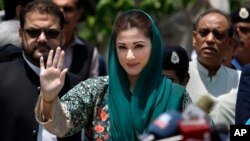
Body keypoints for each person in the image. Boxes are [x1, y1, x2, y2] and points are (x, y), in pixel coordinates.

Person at [35, 9, 192, 140]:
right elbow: (60, 126)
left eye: (138, 46)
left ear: (154, 47)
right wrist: (49, 98)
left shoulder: (176, 96)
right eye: (122, 47)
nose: (129, 56)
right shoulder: (96, 91)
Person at [0, 1, 82, 141]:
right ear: (21, 34)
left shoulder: (77, 86)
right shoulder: (1, 77)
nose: (42, 39)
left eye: (51, 33)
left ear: (62, 37)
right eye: (33, 32)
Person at [186, 9, 241, 125]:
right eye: (204, 32)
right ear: (194, 39)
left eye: (218, 35)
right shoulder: (176, 78)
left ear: (230, 44)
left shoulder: (241, 81)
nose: (210, 39)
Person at [51, 0, 107, 79]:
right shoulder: (38, 47)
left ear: (79, 13)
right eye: (55, 9)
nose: (61, 14)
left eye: (68, 9)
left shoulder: (90, 53)